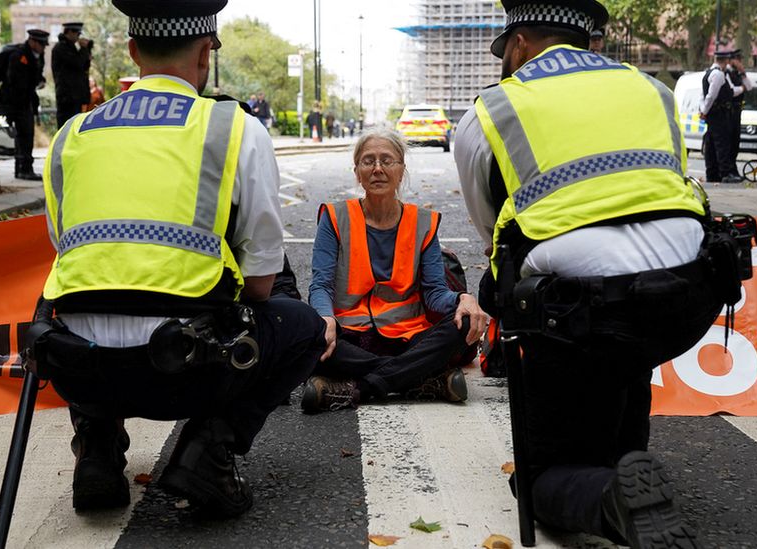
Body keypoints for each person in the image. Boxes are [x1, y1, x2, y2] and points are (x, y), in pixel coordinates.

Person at [37, 0, 326, 516]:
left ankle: (98, 452)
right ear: (205, 54)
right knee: (303, 325)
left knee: (94, 302)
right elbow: (261, 283)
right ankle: (207, 452)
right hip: (185, 369)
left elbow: (69, 251)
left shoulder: (70, 136)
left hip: (77, 366)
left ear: (132, 51)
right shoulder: (233, 129)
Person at [454, 0, 725, 546]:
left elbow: (496, 239)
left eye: (505, 51)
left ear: (521, 44)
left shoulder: (491, 110)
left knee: (539, 479)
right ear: (590, 42)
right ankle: (627, 462)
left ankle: (610, 500)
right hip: (689, 292)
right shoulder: (653, 89)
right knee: (630, 337)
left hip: (578, 312)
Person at [302, 127, 488, 413]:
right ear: (357, 171)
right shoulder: (335, 216)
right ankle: (420, 380)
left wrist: (463, 298)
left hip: (408, 339)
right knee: (308, 334)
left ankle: (357, 389)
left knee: (461, 323)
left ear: (402, 170)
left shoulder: (421, 222)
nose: (377, 168)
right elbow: (321, 285)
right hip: (350, 337)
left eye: (387, 160)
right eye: (368, 161)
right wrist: (324, 318)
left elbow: (435, 293)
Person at [0, 29, 48, 181]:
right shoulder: (19, 55)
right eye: (41, 44)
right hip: (16, 102)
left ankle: (24, 169)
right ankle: (23, 169)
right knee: (24, 135)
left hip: (26, 101)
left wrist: (40, 81)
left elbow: (35, 76)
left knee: (26, 136)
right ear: (32, 41)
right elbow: (16, 80)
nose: (43, 48)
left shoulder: (37, 56)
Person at [700, 48, 744, 183]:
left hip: (713, 113)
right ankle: (725, 173)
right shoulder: (718, 75)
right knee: (722, 144)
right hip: (719, 113)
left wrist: (703, 109)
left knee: (712, 144)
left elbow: (703, 95)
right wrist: (704, 111)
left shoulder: (708, 73)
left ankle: (712, 173)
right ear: (725, 61)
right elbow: (711, 96)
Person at [52, 22, 93, 128]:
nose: (78, 37)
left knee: (75, 126)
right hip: (67, 96)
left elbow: (84, 67)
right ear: (69, 32)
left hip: (76, 95)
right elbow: (77, 63)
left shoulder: (73, 49)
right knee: (66, 126)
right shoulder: (61, 48)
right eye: (77, 34)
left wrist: (87, 50)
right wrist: (83, 49)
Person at [725, 50, 753, 180]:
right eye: (738, 59)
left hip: (737, 111)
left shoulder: (738, 73)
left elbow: (750, 86)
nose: (740, 62)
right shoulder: (727, 73)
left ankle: (733, 168)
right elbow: (732, 92)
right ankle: (729, 169)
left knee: (735, 142)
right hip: (729, 112)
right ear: (731, 60)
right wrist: (742, 88)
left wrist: (743, 72)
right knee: (729, 141)